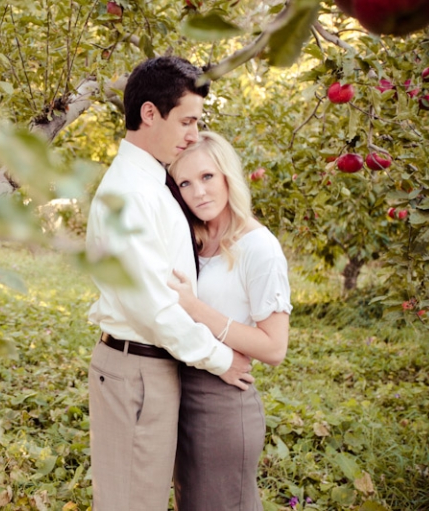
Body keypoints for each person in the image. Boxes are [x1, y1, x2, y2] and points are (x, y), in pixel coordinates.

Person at [85, 56, 254, 511]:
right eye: (186, 121)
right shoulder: (130, 193)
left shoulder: (152, 183)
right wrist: (221, 359)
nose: (194, 135)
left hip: (152, 368)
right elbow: (153, 307)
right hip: (137, 370)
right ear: (149, 114)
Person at [167, 130, 292, 511]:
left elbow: (274, 347)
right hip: (178, 394)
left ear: (227, 177)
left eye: (207, 177)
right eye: (185, 183)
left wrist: (197, 309)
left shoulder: (259, 247)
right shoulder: (192, 238)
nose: (198, 192)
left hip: (221, 405)